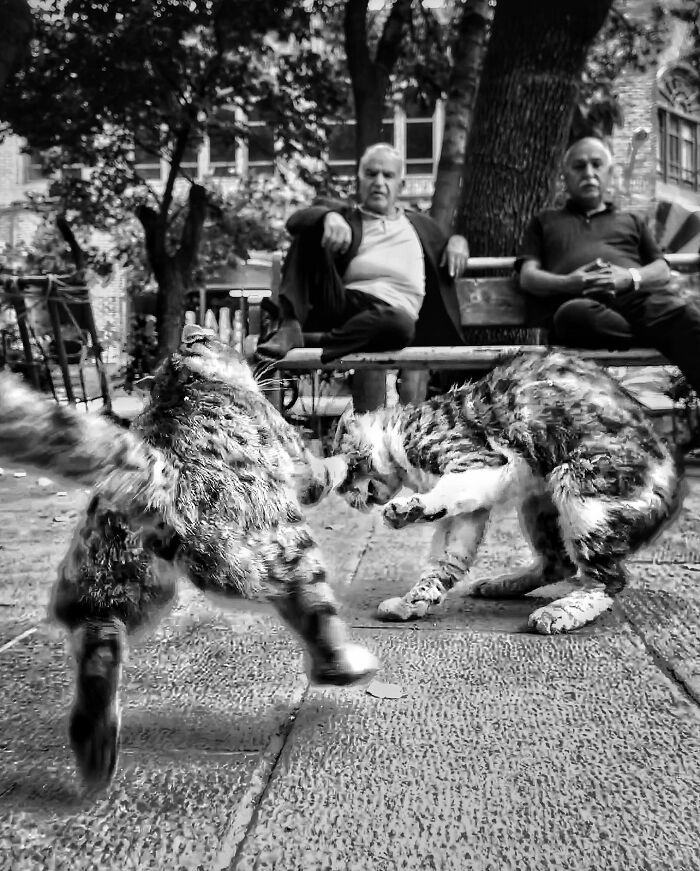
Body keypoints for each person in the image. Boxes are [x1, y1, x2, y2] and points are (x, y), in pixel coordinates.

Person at [255, 143, 470, 369]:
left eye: (388, 175)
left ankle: (310, 341)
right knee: (311, 225)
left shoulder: (420, 226)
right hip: (342, 304)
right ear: (360, 181)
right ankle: (289, 325)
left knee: (400, 324)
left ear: (401, 185)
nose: (379, 182)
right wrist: (328, 216)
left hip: (390, 319)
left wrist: (458, 242)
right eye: (371, 174)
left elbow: (447, 241)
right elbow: (295, 222)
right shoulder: (347, 216)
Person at [516, 135, 700, 397]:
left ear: (610, 173)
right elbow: (527, 276)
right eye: (579, 167)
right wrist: (572, 282)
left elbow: (661, 270)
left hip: (636, 301)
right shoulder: (545, 221)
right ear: (564, 177)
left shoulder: (631, 220)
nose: (589, 173)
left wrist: (629, 277)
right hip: (580, 305)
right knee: (573, 316)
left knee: (683, 316)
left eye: (596, 165)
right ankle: (652, 335)